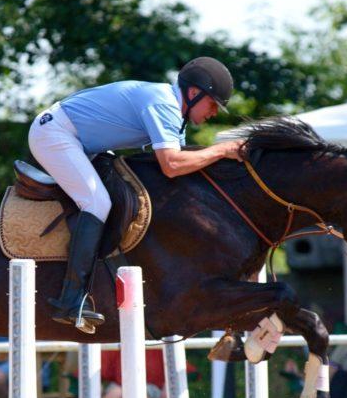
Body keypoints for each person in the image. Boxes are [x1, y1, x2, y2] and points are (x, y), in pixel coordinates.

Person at [29, 57, 242, 333]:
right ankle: (71, 299)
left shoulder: (175, 114)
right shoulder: (164, 104)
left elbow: (181, 168)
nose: (214, 112)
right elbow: (171, 165)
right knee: (97, 202)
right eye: (213, 104)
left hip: (82, 142)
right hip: (54, 134)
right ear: (193, 93)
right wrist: (223, 150)